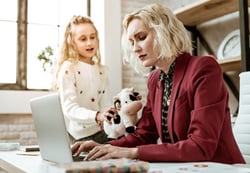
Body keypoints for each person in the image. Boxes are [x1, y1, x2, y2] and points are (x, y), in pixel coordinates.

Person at [71, 4, 245, 164]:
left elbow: (201, 146)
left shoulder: (204, 68)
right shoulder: (155, 79)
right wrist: (104, 146)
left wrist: (132, 153)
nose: (135, 48)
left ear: (165, 33)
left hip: (220, 167)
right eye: (131, 42)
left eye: (141, 37)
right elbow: (145, 134)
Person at [53, 15, 115, 144]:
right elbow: (70, 109)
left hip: (102, 131)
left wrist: (112, 113)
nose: (89, 42)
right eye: (83, 39)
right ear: (72, 43)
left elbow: (105, 104)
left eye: (92, 37)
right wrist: (97, 116)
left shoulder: (102, 70)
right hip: (79, 136)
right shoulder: (68, 68)